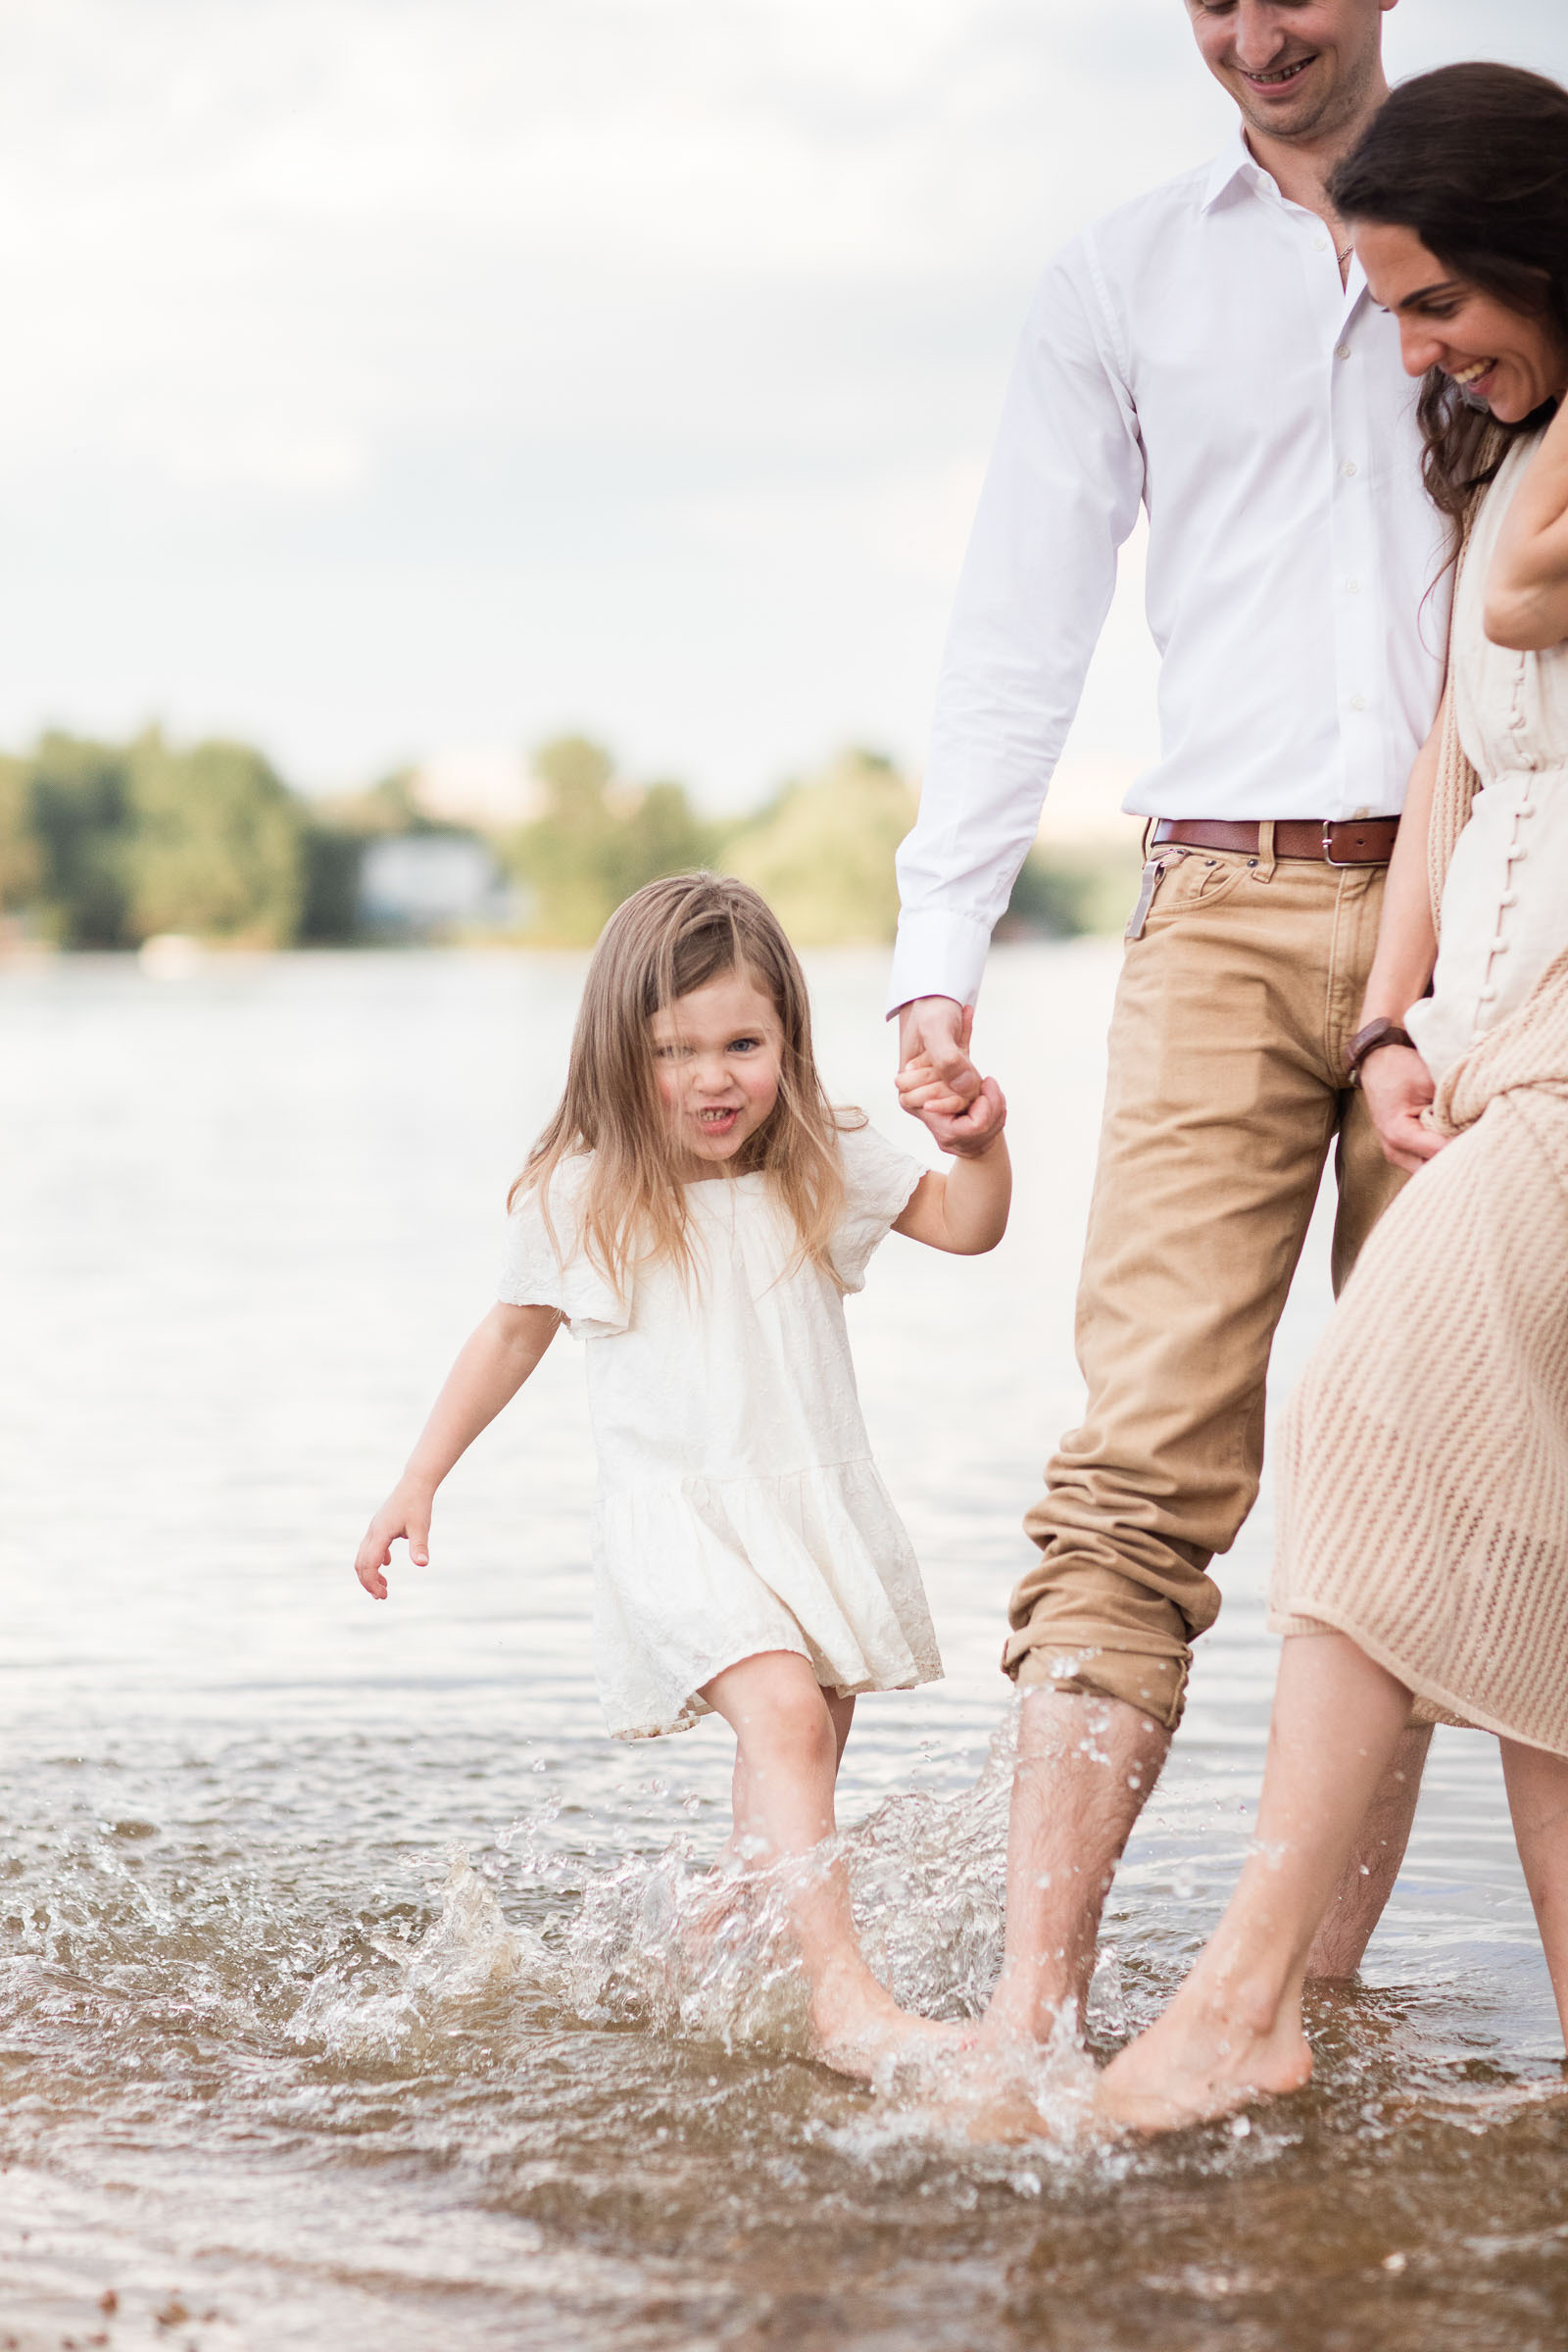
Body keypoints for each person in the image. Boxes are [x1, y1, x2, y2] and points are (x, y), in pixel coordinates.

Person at [891, 0, 1452, 2061]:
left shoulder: (1506, 215)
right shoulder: (1116, 275)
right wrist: (934, 943)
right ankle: (1028, 2023)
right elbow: (1018, 620)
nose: (1248, 32)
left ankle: (1298, 2007)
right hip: (1211, 901)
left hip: (1483, 918)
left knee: (1408, 1484)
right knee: (1135, 1470)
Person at [1099, 59, 1568, 2132]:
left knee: (1363, 1417)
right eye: (1386, 308)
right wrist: (1393, 1026)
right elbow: (1458, 779)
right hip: (1489, 1029)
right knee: (1539, 1560)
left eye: (1432, 298)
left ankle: (1243, 1996)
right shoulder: (1501, 448)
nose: (1411, 346)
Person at [353, 872, 1011, 2076]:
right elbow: (508, 1334)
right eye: (675, 1051)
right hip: (677, 1526)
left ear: (787, 1042)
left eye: (743, 1044)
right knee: (783, 1721)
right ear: (618, 1054)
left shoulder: (826, 1157)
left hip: (805, 1508)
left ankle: (705, 1953)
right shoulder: (587, 1191)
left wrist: (982, 1142)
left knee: (796, 1761)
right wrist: (418, 1478)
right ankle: (841, 2002)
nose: (714, 1078)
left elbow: (969, 1226)